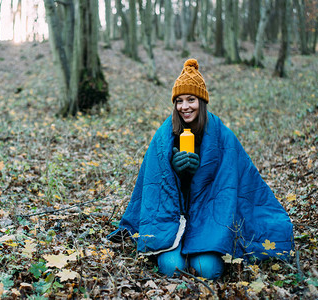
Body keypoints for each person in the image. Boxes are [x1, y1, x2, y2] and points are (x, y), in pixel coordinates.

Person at [107, 58, 294, 280]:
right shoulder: (164, 138)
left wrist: (200, 171)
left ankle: (201, 249)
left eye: (191, 99)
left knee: (208, 269)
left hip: (208, 217)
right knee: (171, 268)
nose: (184, 107)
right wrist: (177, 172)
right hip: (173, 218)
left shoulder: (221, 136)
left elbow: (235, 182)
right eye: (179, 101)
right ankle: (179, 248)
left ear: (202, 101)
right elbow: (154, 185)